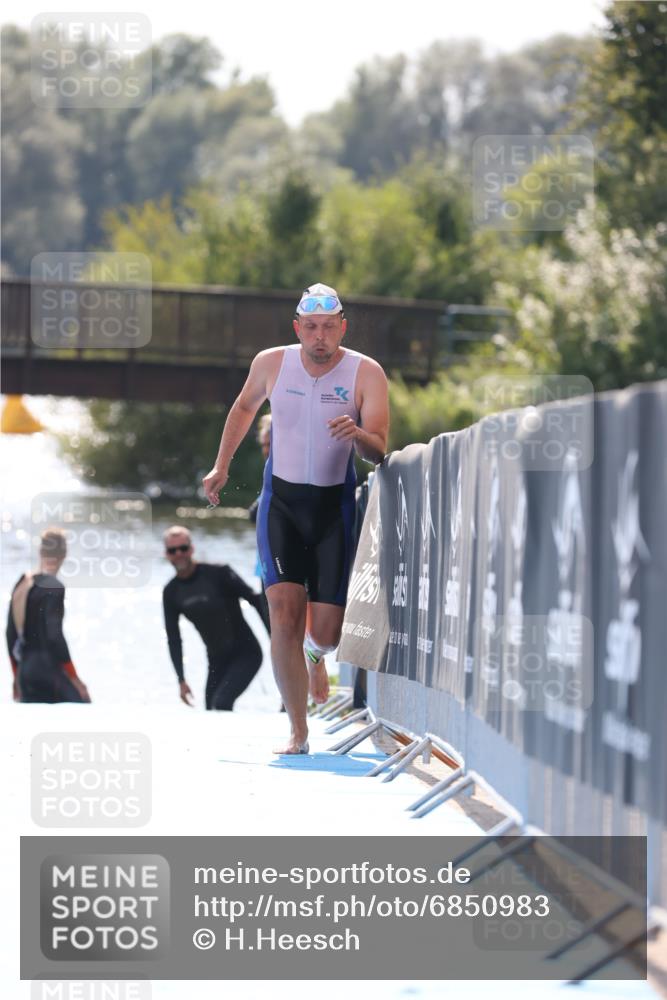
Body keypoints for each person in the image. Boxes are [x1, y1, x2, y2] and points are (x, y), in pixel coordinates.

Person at [202, 282, 389, 753]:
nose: (319, 336)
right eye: (310, 327)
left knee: (325, 633)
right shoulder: (271, 363)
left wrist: (358, 434)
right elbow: (244, 408)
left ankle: (314, 654)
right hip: (281, 505)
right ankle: (298, 731)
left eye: (328, 327)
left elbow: (380, 449)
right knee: (283, 613)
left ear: (342, 327)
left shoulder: (366, 372)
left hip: (332, 509)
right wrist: (221, 466)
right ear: (297, 328)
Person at [162, 525, 270, 710]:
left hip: (247, 654)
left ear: (192, 549)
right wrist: (181, 679)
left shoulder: (219, 573)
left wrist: (275, 640)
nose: (179, 554)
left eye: (183, 548)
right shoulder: (171, 592)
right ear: (166, 554)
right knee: (210, 710)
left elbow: (256, 601)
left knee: (221, 704)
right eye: (173, 550)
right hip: (216, 661)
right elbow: (174, 638)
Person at [6, 527, 91, 703]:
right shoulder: (54, 586)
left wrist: (16, 676)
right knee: (84, 704)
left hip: (24, 673)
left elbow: (10, 633)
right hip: (47, 671)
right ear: (64, 554)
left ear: (40, 552)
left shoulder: (22, 582)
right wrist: (75, 678)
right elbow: (54, 636)